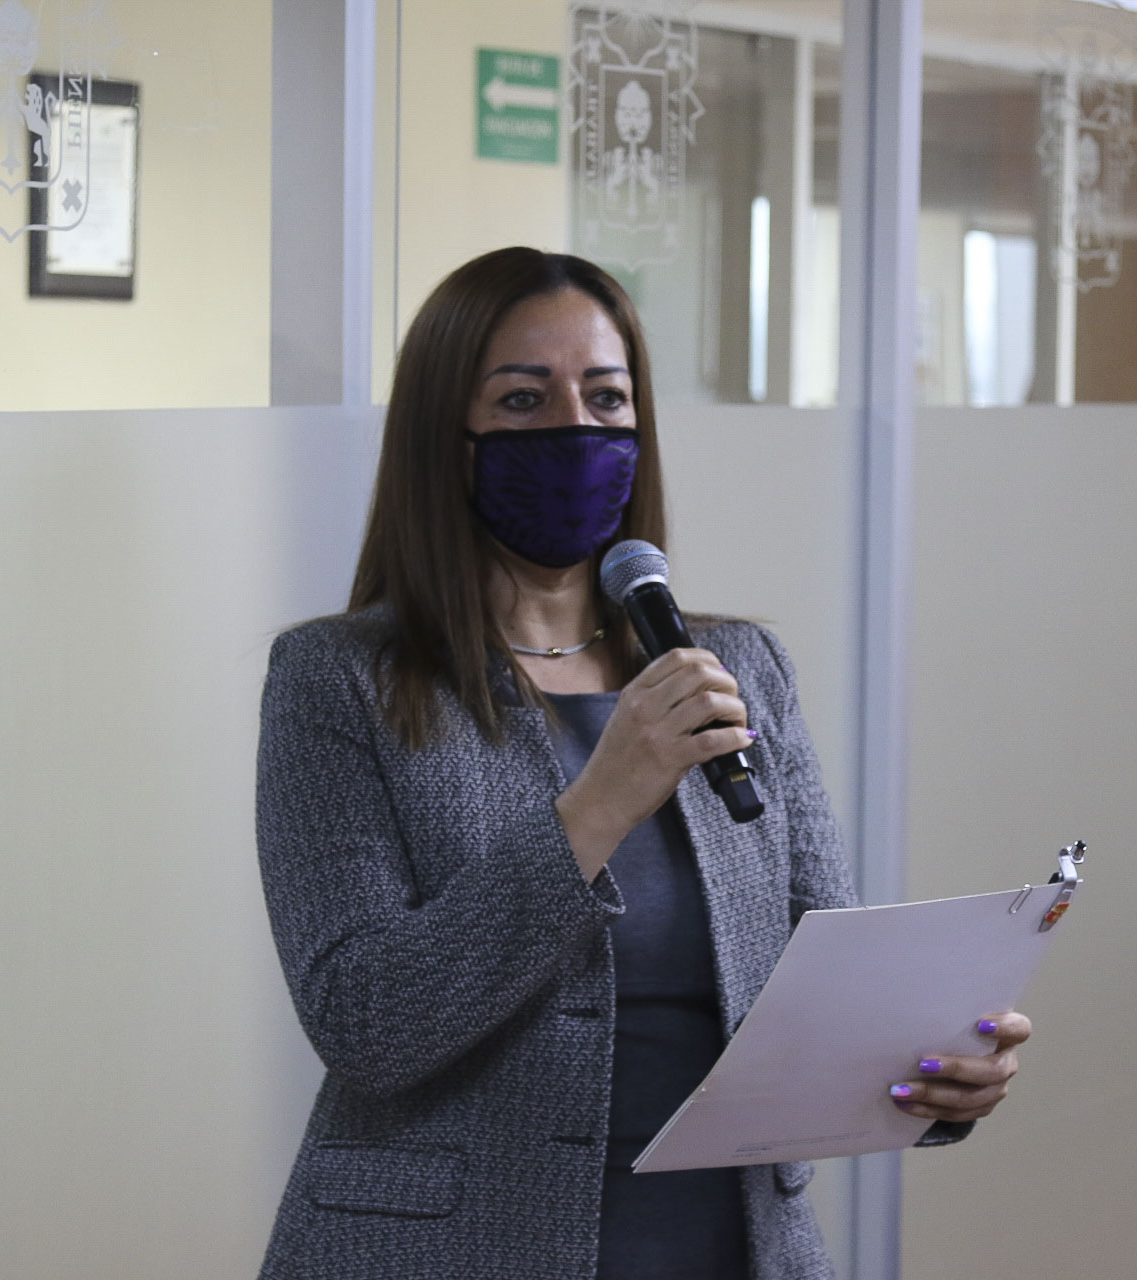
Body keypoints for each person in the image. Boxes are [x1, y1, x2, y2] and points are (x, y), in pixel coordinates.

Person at [254, 247, 1032, 1280]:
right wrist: (600, 802)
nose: (574, 427)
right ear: (446, 434)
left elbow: (817, 991)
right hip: (448, 1251)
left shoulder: (738, 666)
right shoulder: (338, 681)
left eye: (605, 396)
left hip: (729, 1247)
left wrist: (931, 1076)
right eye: (523, 398)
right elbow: (364, 1024)